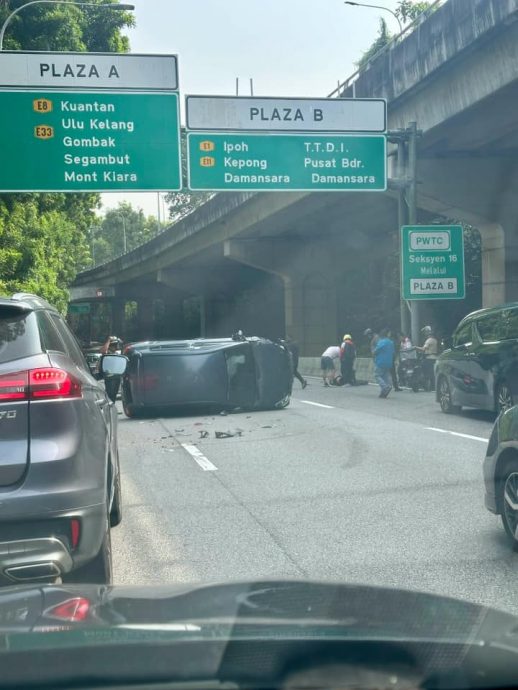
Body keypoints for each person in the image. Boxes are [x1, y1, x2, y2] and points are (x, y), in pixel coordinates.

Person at [373, 328, 395, 399]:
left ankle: (385, 387)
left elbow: (376, 351)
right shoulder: (391, 342)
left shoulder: (381, 342)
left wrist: (374, 352)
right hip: (389, 363)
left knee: (377, 375)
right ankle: (387, 387)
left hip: (380, 362)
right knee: (385, 375)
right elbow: (393, 352)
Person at [416, 325, 439, 391]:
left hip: (429, 358)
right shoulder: (435, 340)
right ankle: (433, 386)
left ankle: (426, 386)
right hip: (434, 358)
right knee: (432, 373)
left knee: (425, 372)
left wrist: (415, 347)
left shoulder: (428, 340)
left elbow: (423, 349)